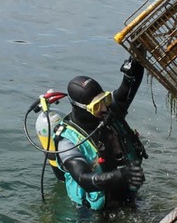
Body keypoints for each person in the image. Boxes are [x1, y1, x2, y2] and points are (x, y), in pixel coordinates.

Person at [54, 53, 147, 211]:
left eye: (105, 100)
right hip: (90, 213)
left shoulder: (110, 113)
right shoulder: (67, 142)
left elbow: (128, 87)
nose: (104, 108)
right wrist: (120, 176)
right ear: (80, 108)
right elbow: (84, 179)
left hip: (127, 197)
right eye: (97, 106)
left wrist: (138, 58)